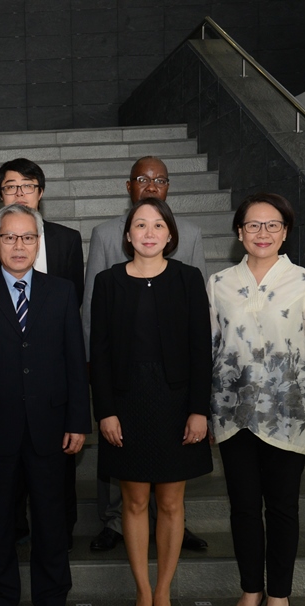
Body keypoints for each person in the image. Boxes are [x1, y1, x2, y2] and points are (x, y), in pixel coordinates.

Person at [0, 203, 90, 606]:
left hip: (50, 427)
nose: (19, 245)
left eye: (27, 237)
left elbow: (75, 361)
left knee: (51, 521)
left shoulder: (61, 292)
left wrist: (78, 420)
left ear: (38, 243)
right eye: (10, 237)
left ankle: (53, 605)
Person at [208, 193, 305, 606]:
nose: (262, 233)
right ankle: (250, 590)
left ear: (285, 232)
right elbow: (210, 349)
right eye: (253, 225)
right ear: (239, 232)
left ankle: (279, 594)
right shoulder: (219, 283)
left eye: (272, 225)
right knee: (244, 507)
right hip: (233, 412)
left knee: (282, 507)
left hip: (290, 412)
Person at [89, 197, 213, 606]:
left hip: (176, 403)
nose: (148, 233)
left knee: (172, 502)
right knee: (135, 500)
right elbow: (99, 352)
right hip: (127, 403)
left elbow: (201, 350)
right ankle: (143, 591)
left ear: (170, 234)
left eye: (158, 225)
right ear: (127, 235)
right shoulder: (107, 281)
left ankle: (164, 591)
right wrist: (105, 412)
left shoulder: (188, 278)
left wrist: (199, 410)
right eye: (140, 225)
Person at [82, 155, 209, 554]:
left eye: (160, 179)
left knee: (171, 493)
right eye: (143, 178)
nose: (152, 185)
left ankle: (172, 526)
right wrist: (101, 399)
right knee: (131, 490)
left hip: (174, 385)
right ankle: (116, 522)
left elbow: (199, 335)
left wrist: (199, 406)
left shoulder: (189, 248)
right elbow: (94, 323)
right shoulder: (105, 241)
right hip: (126, 382)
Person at [0, 158, 84, 549]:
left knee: (53, 507)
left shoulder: (64, 263)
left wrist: (76, 416)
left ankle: (55, 576)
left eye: (28, 185)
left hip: (50, 405)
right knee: (1, 509)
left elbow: (73, 341)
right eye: (11, 186)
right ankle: (5, 576)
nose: (19, 193)